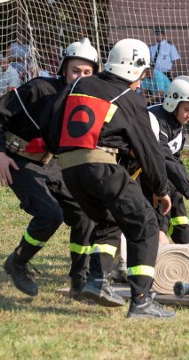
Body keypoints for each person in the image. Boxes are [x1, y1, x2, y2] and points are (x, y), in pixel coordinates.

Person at [43, 38, 175, 319]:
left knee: (109, 219)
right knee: (146, 224)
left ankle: (97, 281)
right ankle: (142, 300)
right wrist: (161, 188)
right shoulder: (128, 98)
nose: (142, 80)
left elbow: (51, 120)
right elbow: (149, 150)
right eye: (143, 73)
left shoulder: (78, 85)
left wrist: (61, 154)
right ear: (136, 69)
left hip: (69, 168)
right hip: (100, 166)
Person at [0, 38, 100, 300]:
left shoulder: (88, 101)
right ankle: (17, 261)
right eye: (75, 70)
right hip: (19, 160)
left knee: (86, 212)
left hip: (55, 163)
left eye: (87, 72)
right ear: (63, 68)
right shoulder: (39, 88)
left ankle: (79, 278)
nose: (80, 77)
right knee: (50, 214)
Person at [147, 76, 189, 243]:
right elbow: (164, 159)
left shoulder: (177, 122)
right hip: (146, 183)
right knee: (158, 232)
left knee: (184, 233)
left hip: (167, 180)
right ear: (172, 103)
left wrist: (185, 180)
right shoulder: (154, 119)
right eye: (187, 110)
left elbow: (175, 157)